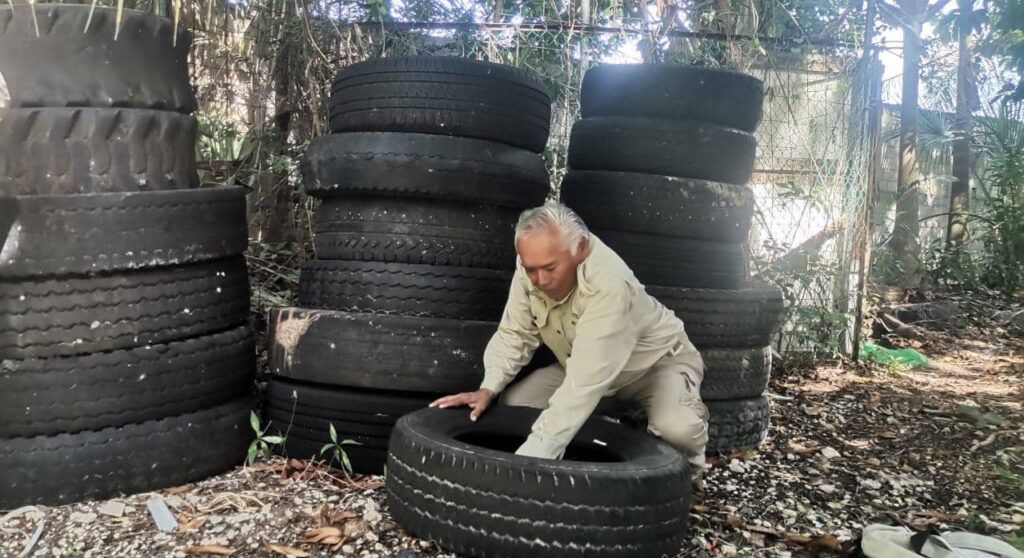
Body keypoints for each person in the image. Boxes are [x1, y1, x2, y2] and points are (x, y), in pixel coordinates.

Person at [430, 202, 709, 474]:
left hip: (655, 367)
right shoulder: (533, 263)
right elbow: (515, 332)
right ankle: (616, 428)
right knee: (517, 407)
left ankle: (686, 460)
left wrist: (523, 468)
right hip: (588, 369)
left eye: (551, 269)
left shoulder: (610, 284)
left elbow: (584, 381)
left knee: (677, 428)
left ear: (582, 249)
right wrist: (488, 388)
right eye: (530, 269)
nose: (539, 280)